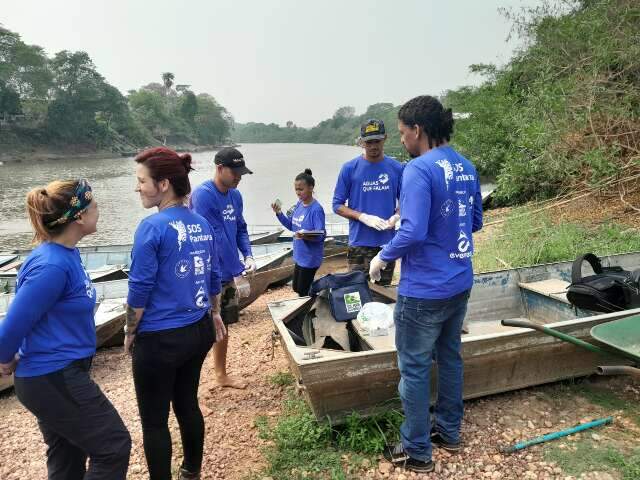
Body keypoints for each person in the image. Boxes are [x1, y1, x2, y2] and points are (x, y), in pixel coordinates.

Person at [370, 96, 483, 473]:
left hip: (424, 290)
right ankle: (449, 433)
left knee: (415, 368)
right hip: (459, 280)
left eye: (402, 133)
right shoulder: (465, 166)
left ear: (417, 130)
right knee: (450, 357)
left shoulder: (418, 169)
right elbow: (475, 222)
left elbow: (414, 231)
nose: (401, 140)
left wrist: (384, 254)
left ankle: (416, 451)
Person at [0, 179, 131, 480]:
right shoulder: (51, 266)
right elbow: (11, 327)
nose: (99, 208)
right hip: (52, 376)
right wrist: (7, 356)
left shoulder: (65, 255)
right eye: (94, 204)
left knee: (68, 457)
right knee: (113, 445)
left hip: (57, 373)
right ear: (80, 217)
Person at [127, 147, 225, 480]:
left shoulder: (152, 227)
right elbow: (214, 278)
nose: (137, 187)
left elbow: (139, 292)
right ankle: (191, 471)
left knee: (154, 421)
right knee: (186, 403)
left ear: (164, 183)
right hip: (198, 331)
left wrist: (129, 332)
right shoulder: (201, 224)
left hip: (160, 339)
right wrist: (215, 314)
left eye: (142, 181)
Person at [189, 147, 254, 389]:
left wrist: (248, 255)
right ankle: (190, 387)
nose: (239, 177)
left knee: (223, 323)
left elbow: (240, 229)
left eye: (241, 172)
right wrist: (237, 271)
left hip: (228, 270)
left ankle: (220, 375)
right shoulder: (203, 196)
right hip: (207, 273)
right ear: (219, 169)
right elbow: (215, 237)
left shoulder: (236, 196)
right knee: (200, 330)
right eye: (235, 172)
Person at [332, 118, 403, 285]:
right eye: (368, 142)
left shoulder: (396, 168)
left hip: (386, 245)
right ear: (361, 142)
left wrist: (396, 217)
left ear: (385, 138)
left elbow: (407, 202)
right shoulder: (350, 168)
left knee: (382, 295)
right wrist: (363, 217)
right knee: (356, 294)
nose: (373, 146)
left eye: (377, 141)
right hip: (359, 243)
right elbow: (337, 205)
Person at [272, 168, 326, 296]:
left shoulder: (316, 210)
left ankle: (311, 311)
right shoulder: (299, 204)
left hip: (310, 258)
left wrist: (305, 235)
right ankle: (312, 304)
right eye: (296, 189)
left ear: (311, 188)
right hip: (299, 255)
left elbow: (321, 235)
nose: (298, 193)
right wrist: (279, 213)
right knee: (296, 288)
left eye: (301, 189)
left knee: (303, 291)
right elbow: (291, 226)